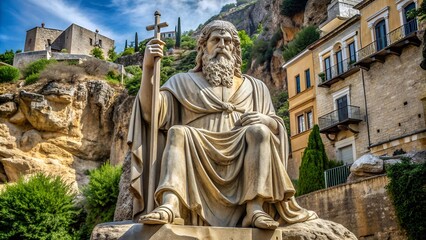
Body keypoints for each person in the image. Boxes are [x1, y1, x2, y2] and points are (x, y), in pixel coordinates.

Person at [128, 20, 316, 230]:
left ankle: (255, 208)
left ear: (235, 50)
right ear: (203, 47)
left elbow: (276, 124)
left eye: (228, 42)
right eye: (216, 39)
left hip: (242, 152)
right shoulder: (182, 81)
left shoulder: (256, 87)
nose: (222, 45)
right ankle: (170, 204)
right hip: (198, 152)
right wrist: (148, 68)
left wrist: (266, 121)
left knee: (260, 131)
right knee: (177, 132)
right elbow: (150, 112)